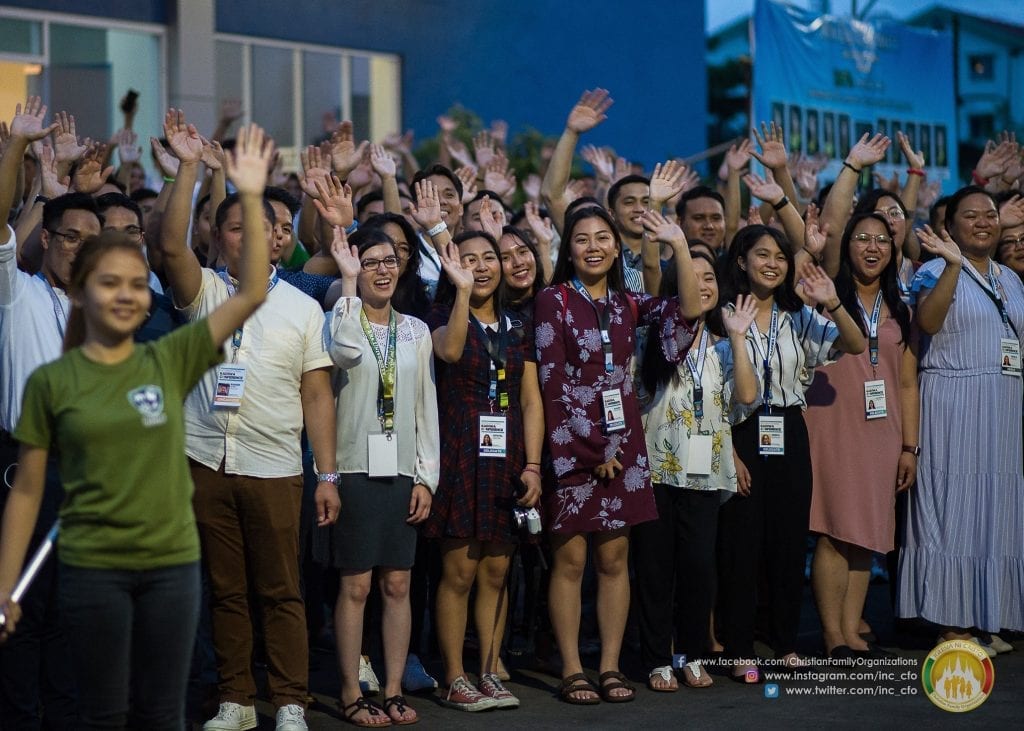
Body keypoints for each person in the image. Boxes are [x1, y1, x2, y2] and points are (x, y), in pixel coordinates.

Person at [0, 123, 272, 730]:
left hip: (155, 562)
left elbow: (252, 289)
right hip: (69, 534)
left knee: (137, 700)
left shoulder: (165, 358)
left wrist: (249, 196)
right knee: (66, 690)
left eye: (132, 283)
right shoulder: (43, 362)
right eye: (106, 281)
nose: (122, 294)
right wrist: (6, 585)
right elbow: (25, 490)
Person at [159, 109, 340, 731]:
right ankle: (236, 699)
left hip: (274, 466)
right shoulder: (204, 292)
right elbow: (168, 245)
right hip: (205, 459)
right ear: (221, 236)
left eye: (257, 228)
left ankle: (289, 700)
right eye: (234, 228)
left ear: (277, 239)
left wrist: (328, 476)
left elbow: (317, 395)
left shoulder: (301, 307)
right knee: (226, 589)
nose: (244, 238)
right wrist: (188, 167)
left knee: (281, 591)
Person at [534, 206, 701, 704]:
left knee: (615, 559)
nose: (592, 246)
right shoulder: (553, 300)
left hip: (623, 445)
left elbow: (689, 311)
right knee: (570, 562)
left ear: (615, 247)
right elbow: (551, 383)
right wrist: (588, 455)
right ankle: (572, 668)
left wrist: (680, 245)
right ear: (569, 249)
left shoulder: (629, 303)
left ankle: (609, 666)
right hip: (571, 449)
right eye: (582, 238)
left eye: (602, 237)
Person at [715, 225, 865, 681]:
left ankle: (783, 644)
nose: (773, 264)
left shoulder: (796, 315)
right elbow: (712, 395)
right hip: (739, 432)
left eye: (781, 257)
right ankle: (739, 647)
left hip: (789, 430)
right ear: (741, 261)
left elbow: (856, 345)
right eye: (762, 255)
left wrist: (832, 301)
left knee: (786, 543)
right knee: (740, 547)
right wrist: (730, 455)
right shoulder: (719, 315)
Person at [322, 225, 439, 726]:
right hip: (352, 468)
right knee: (356, 588)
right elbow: (345, 353)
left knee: (397, 585)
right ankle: (351, 691)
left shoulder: (416, 330)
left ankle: (391, 689)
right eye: (371, 262)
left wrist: (426, 478)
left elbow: (425, 408)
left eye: (390, 260)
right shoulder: (338, 318)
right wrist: (347, 285)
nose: (383, 270)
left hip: (402, 472)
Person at [424, 229, 544, 712]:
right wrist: (458, 290)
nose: (482, 266)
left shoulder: (519, 325)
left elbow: (531, 399)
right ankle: (455, 676)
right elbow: (450, 352)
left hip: (508, 455)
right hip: (459, 453)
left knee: (497, 572)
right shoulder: (439, 317)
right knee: (459, 572)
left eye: (488, 257)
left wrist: (533, 466)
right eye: (468, 259)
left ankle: (490, 669)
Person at [898, 186, 1024, 646]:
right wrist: (953, 264)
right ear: (950, 226)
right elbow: (928, 323)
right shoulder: (933, 270)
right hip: (952, 400)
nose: (984, 222)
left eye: (990, 214)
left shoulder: (1011, 279)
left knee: (995, 511)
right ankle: (949, 622)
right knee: (952, 509)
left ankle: (984, 615)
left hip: (1004, 406)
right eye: (971, 216)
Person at [634, 250, 758, 691]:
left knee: (698, 568)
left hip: (705, 473)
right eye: (692, 276)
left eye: (709, 277)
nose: (703, 284)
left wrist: (740, 338)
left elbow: (745, 395)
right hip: (656, 467)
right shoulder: (651, 336)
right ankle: (655, 658)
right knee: (654, 568)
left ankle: (690, 653)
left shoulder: (725, 345)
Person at [0, 97, 83, 730]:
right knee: (19, 609)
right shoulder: (16, 294)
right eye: (68, 237)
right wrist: (18, 154)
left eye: (91, 240)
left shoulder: (112, 308)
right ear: (46, 240)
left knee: (74, 612)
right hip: (25, 471)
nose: (79, 250)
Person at [804, 212, 918, 660]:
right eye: (863, 239)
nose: (873, 248)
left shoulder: (902, 308)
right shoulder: (822, 296)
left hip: (882, 432)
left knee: (866, 533)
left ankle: (852, 632)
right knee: (835, 529)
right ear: (846, 244)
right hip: (831, 424)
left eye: (882, 241)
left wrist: (910, 446)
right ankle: (833, 635)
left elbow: (907, 384)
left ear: (893, 251)